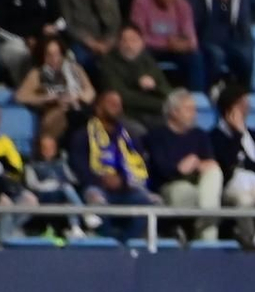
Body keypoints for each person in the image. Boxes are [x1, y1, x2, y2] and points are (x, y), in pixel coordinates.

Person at [146, 88, 223, 241]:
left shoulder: (200, 135)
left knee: (214, 173)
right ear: (174, 112)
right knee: (199, 197)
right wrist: (180, 168)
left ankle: (206, 220)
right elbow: (161, 169)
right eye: (189, 109)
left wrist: (195, 163)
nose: (195, 114)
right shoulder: (157, 136)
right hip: (171, 186)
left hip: (199, 186)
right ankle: (208, 240)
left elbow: (209, 163)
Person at [80, 90, 157, 239]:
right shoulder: (84, 135)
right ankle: (107, 243)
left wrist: (122, 180)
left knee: (148, 201)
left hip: (126, 187)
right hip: (97, 186)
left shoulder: (130, 136)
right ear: (99, 108)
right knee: (96, 199)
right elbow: (79, 167)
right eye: (112, 103)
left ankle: (128, 243)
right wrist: (102, 180)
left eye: (119, 104)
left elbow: (140, 164)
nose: (117, 107)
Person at [212, 85, 255, 243]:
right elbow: (226, 166)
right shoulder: (215, 137)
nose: (247, 109)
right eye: (242, 105)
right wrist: (236, 135)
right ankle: (249, 243)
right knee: (244, 201)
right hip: (231, 189)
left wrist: (245, 162)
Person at [191, 0, 255, 90]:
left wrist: (246, 42)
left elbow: (244, 21)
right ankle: (211, 91)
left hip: (231, 40)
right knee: (216, 55)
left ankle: (243, 92)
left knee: (246, 55)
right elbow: (194, 20)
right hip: (206, 40)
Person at [130, 0, 204, 92]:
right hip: (150, 48)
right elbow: (138, 36)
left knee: (195, 57)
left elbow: (191, 37)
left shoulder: (182, 4)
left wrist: (185, 44)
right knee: (140, 53)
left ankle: (196, 96)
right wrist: (166, 44)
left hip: (175, 49)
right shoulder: (141, 1)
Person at [14, 36, 96, 143]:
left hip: (78, 110)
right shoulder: (37, 74)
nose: (54, 59)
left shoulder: (75, 69)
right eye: (49, 55)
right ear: (42, 56)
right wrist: (46, 98)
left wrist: (77, 96)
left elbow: (90, 92)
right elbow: (20, 97)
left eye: (57, 54)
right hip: (56, 115)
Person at [97, 23, 169, 128]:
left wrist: (155, 86)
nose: (129, 45)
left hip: (154, 113)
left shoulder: (147, 61)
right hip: (127, 114)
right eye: (125, 40)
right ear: (118, 43)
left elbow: (166, 90)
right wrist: (160, 104)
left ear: (142, 42)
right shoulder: (108, 63)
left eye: (133, 40)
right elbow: (122, 97)